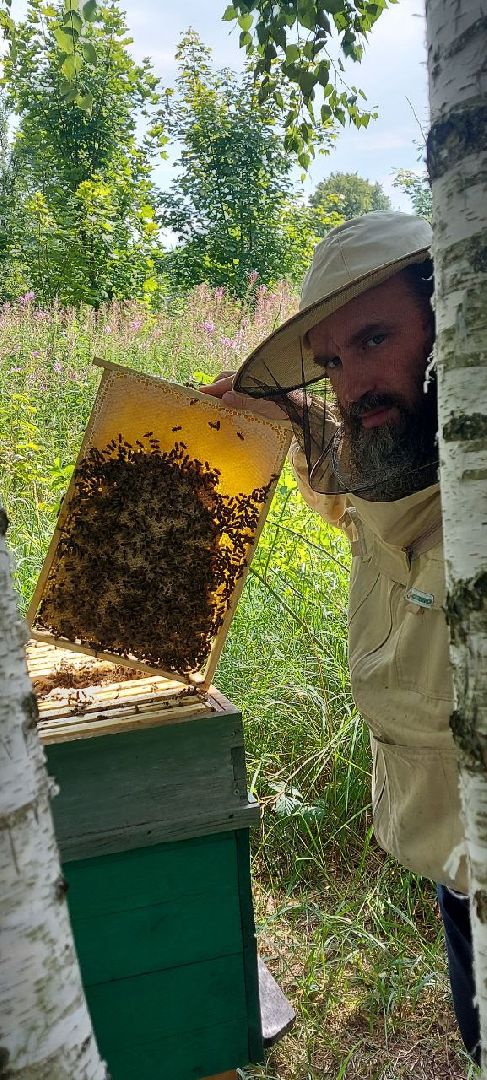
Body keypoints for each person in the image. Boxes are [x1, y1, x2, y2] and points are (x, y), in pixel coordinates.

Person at [201, 212, 480, 1065]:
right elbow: (366, 497)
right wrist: (287, 420)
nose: (351, 381)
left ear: (454, 321)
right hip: (456, 862)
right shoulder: (409, 465)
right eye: (330, 361)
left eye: (372, 337)